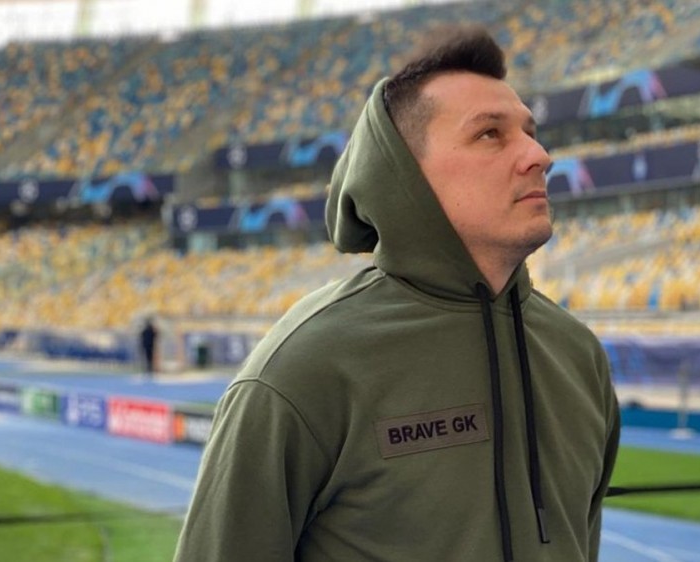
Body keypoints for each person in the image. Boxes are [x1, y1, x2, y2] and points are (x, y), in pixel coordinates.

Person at [175, 26, 620, 562]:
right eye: (490, 134)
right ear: (406, 175)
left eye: (531, 132)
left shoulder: (578, 355)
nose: (540, 155)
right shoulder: (305, 366)